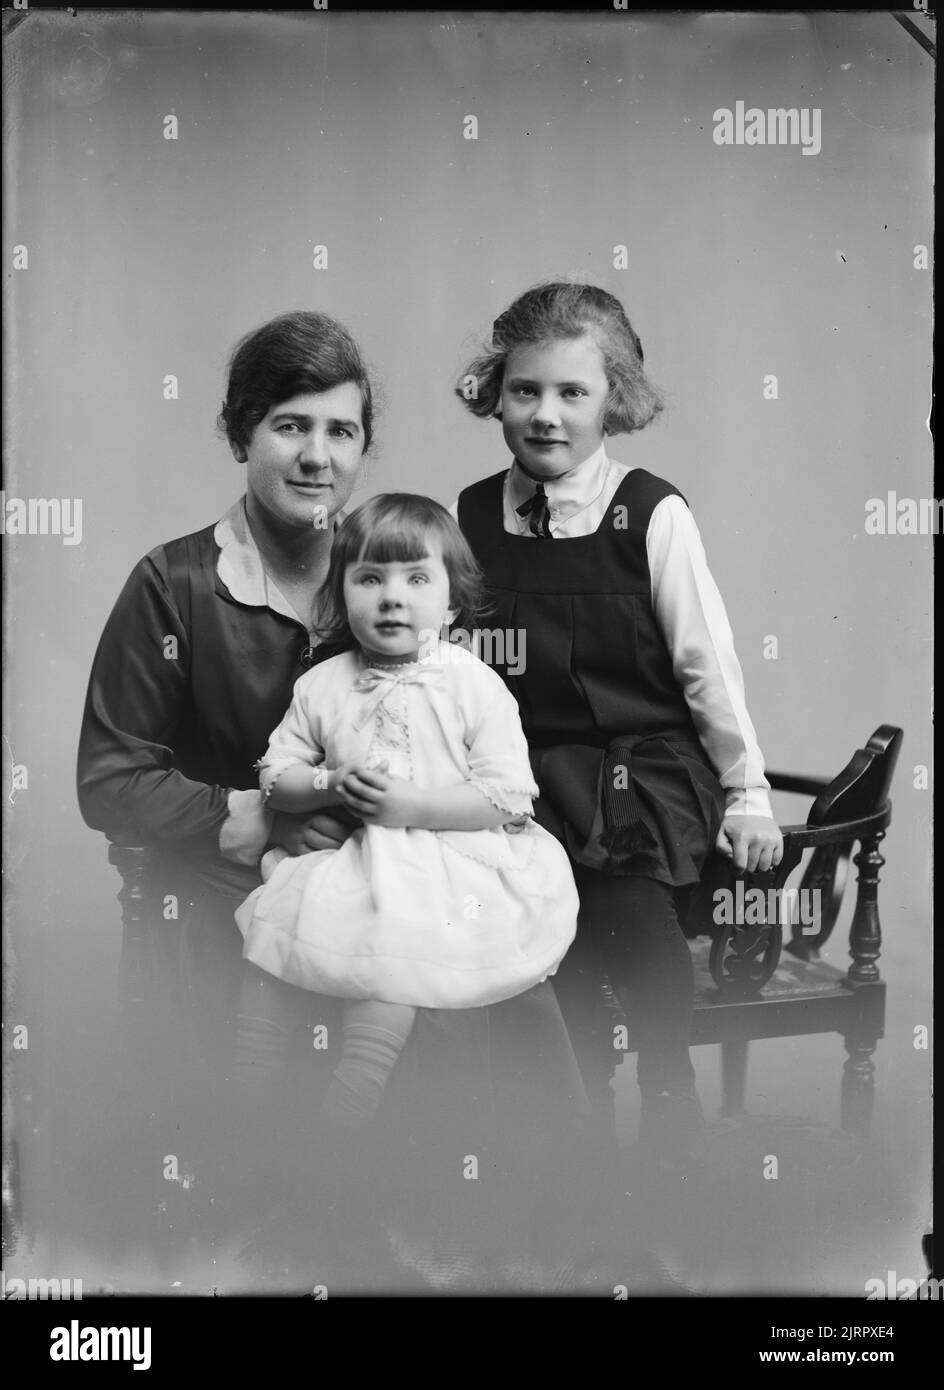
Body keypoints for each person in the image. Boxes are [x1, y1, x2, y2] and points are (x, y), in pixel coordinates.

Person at [453, 281, 784, 1161]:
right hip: (531, 771)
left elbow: (707, 664)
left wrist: (747, 790)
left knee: (625, 898)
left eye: (574, 393)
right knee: (531, 915)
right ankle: (572, 1122)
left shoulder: (652, 512)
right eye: (526, 391)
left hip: (646, 767)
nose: (547, 416)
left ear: (616, 401)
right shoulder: (475, 513)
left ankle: (669, 1090)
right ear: (496, 394)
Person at [234, 493, 579, 1138]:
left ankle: (345, 1116)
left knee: (391, 959)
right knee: (274, 937)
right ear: (341, 597)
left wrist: (412, 807)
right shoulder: (324, 684)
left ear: (451, 604)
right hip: (358, 858)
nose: (392, 598)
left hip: (453, 860)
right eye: (369, 579)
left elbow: (507, 799)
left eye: (416, 579)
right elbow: (275, 779)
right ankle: (250, 1111)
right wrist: (327, 782)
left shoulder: (473, 682)